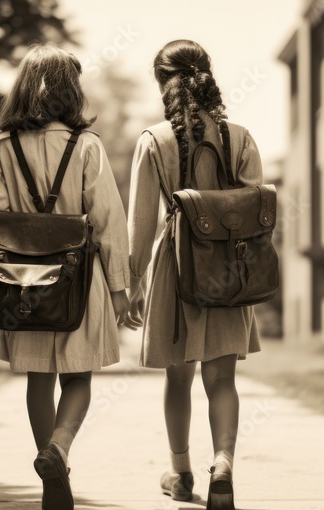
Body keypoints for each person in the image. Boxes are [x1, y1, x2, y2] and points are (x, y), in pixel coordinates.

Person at [0, 43, 130, 510]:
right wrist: (119, 288)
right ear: (70, 92)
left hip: (19, 283)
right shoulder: (87, 147)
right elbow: (110, 219)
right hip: (79, 282)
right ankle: (59, 449)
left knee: (39, 379)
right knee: (78, 379)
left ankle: (47, 468)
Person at [126, 40, 263, 510]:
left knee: (178, 378)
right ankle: (223, 463)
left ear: (164, 83)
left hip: (175, 270)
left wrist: (129, 284)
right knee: (222, 380)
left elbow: (140, 224)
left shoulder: (153, 140)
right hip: (230, 269)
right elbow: (256, 211)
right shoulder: (240, 137)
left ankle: (181, 474)